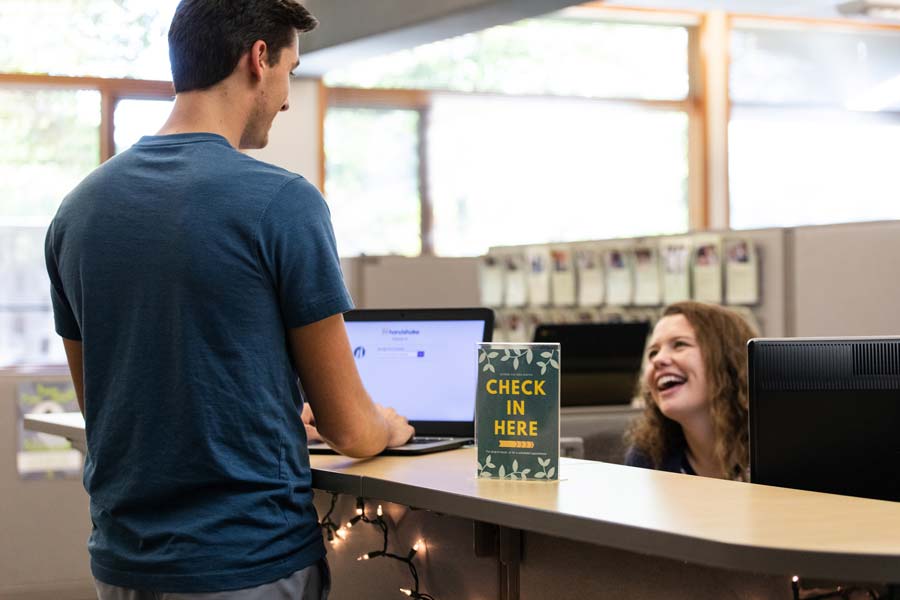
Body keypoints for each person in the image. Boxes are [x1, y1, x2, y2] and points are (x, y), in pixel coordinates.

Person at [43, 1, 414, 598]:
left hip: (123, 566)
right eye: (291, 70)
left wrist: (260, 412)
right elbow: (348, 427)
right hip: (248, 563)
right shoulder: (283, 203)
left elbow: (109, 406)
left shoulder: (77, 212)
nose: (289, 97)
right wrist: (389, 428)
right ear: (259, 58)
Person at [624, 301, 758, 481]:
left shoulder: (777, 447)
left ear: (727, 360)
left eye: (679, 344)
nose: (658, 360)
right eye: (653, 352)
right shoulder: (649, 457)